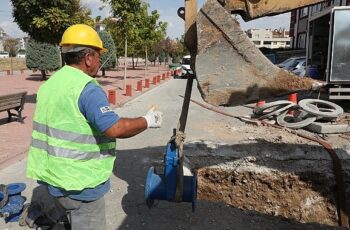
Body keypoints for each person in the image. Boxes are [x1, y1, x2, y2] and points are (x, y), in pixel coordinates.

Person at [26, 24, 163, 229]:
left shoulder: (50, 85)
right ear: (88, 57)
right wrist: (147, 121)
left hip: (53, 179)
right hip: (80, 185)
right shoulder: (87, 88)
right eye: (98, 55)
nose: (100, 60)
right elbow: (114, 128)